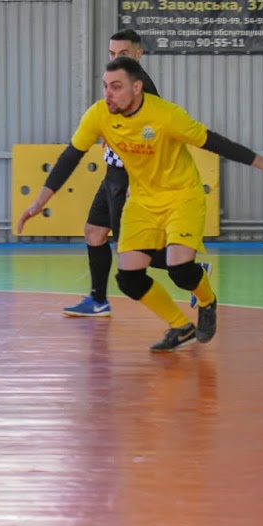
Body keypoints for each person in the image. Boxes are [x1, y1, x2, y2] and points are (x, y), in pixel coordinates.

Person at [17, 56, 263, 351]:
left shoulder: (165, 116)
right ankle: (180, 326)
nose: (108, 94)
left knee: (180, 269)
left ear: (137, 87)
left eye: (116, 87)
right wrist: (39, 202)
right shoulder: (99, 115)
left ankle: (207, 300)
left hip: (182, 196)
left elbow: (213, 141)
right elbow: (70, 157)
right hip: (142, 200)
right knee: (129, 278)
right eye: (105, 87)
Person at [60, 29, 212, 316]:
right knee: (94, 231)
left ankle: (191, 270)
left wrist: (135, 179)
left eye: (124, 54)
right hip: (111, 173)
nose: (116, 59)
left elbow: (150, 140)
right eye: (112, 54)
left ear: (138, 54)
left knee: (128, 247)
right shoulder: (116, 84)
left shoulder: (144, 90)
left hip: (128, 177)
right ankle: (98, 300)